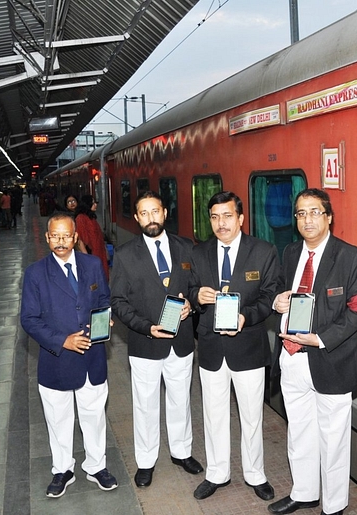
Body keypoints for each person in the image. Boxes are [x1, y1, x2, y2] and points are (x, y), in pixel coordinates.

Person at [268, 188, 357, 515]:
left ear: (329, 217)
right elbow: (279, 292)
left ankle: (333, 505)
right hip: (291, 357)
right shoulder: (289, 253)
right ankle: (304, 493)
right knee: (298, 432)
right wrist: (276, 301)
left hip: (331, 359)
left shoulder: (352, 257)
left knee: (333, 441)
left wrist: (321, 338)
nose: (307, 219)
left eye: (315, 212)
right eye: (301, 213)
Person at [189, 191, 279, 502]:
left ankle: (255, 474)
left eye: (227, 216)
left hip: (248, 346)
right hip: (212, 348)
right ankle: (217, 473)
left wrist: (246, 316)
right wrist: (196, 297)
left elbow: (270, 298)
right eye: (214, 217)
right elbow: (188, 290)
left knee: (252, 415)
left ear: (241, 218)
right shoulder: (199, 253)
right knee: (213, 414)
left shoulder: (263, 252)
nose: (221, 223)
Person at [20, 213, 118, 498]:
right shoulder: (35, 273)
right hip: (57, 361)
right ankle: (62, 469)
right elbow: (29, 319)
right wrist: (62, 341)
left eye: (66, 236)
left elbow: (103, 299)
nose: (61, 241)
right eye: (55, 236)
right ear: (48, 237)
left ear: (75, 237)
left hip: (93, 357)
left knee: (94, 417)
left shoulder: (93, 264)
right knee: (59, 419)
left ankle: (96, 466)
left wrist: (106, 317)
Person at [110, 191, 203, 488]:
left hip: (181, 341)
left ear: (165, 212)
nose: (151, 218)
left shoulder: (186, 247)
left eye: (155, 211)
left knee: (180, 400)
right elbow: (119, 301)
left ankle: (181, 452)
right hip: (144, 343)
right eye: (144, 213)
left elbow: (197, 287)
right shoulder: (125, 255)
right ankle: (146, 461)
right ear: (137, 218)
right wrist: (146, 327)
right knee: (146, 404)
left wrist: (192, 304)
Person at [75, 195, 110, 279]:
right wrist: (87, 258)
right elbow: (80, 240)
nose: (95, 205)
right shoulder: (81, 218)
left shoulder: (91, 217)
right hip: (92, 254)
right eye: (93, 203)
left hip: (99, 253)